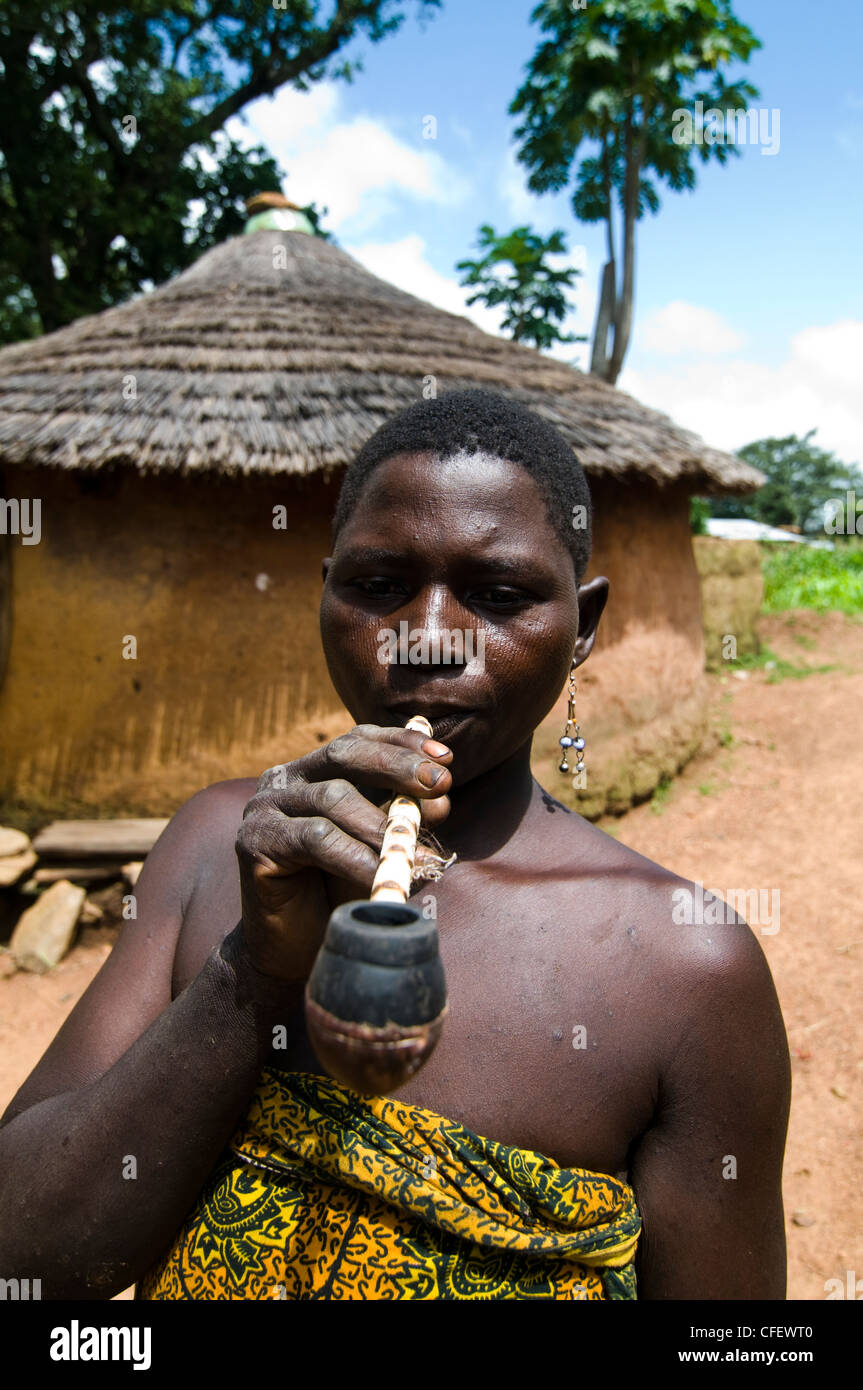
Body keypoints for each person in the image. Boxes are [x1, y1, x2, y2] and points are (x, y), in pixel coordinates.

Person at [0, 389, 790, 1300]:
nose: (426, 639)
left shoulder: (685, 966)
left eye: (499, 597)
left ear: (583, 628)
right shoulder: (218, 843)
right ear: (325, 593)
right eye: (378, 587)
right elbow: (26, 1261)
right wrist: (252, 972)